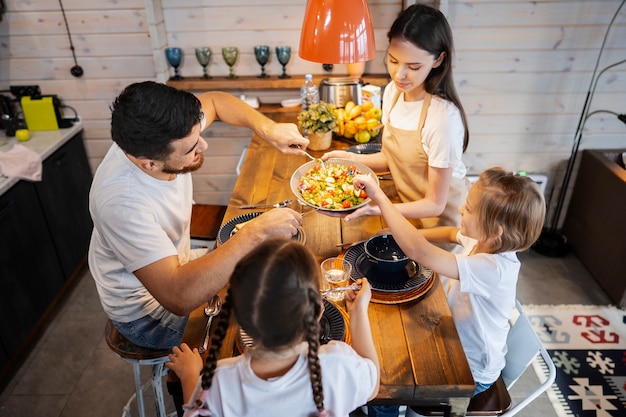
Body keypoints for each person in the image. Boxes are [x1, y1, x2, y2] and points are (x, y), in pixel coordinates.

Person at [89, 81, 310, 350]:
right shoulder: (122, 202)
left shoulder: (160, 133)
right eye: (191, 148)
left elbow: (216, 102)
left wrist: (268, 129)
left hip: (178, 262)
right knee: (271, 314)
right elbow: (178, 297)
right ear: (150, 163)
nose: (203, 145)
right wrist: (256, 232)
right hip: (148, 313)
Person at [353, 167, 545, 416]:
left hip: (469, 369)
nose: (460, 210)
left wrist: (380, 197)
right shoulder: (484, 242)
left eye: (469, 209)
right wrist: (398, 234)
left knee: (386, 382)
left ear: (496, 230)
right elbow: (449, 233)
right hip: (456, 338)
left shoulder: (493, 269)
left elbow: (420, 252)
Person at [166, 238, 380, 417]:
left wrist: (191, 377)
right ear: (317, 311)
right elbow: (372, 385)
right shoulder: (337, 365)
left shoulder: (218, 383)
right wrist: (358, 311)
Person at [322, 4, 470, 229]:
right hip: (406, 215)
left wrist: (376, 207)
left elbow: (435, 204)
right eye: (393, 60)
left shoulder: (443, 119)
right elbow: (396, 160)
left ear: (438, 60)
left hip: (442, 228)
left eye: (413, 66)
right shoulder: (393, 92)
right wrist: (351, 159)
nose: (399, 74)